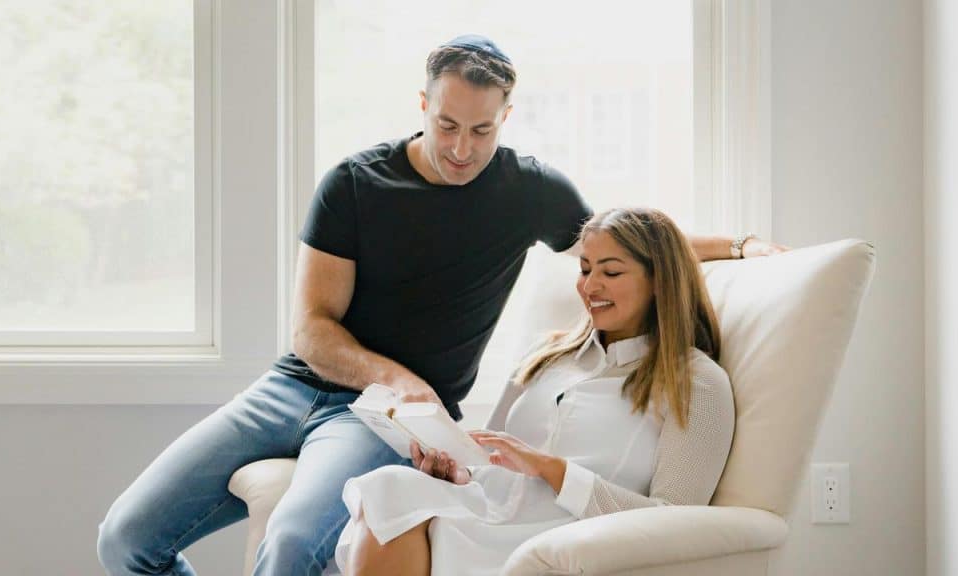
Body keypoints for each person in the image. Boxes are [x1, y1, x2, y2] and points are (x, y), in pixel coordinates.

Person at [97, 35, 782, 576]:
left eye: (481, 131)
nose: (461, 148)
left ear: (505, 118)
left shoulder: (528, 190)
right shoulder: (355, 183)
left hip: (388, 422)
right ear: (421, 104)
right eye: (447, 124)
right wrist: (391, 375)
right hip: (297, 388)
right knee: (125, 539)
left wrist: (742, 244)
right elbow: (311, 330)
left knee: (294, 544)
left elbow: (632, 245)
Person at [335, 207, 734, 576]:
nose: (590, 286)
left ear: (660, 282)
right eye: (584, 268)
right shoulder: (547, 356)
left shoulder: (696, 382)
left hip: (568, 541)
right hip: (486, 514)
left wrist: (552, 469)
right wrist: (455, 472)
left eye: (611, 273)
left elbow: (677, 522)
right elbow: (483, 460)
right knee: (391, 487)